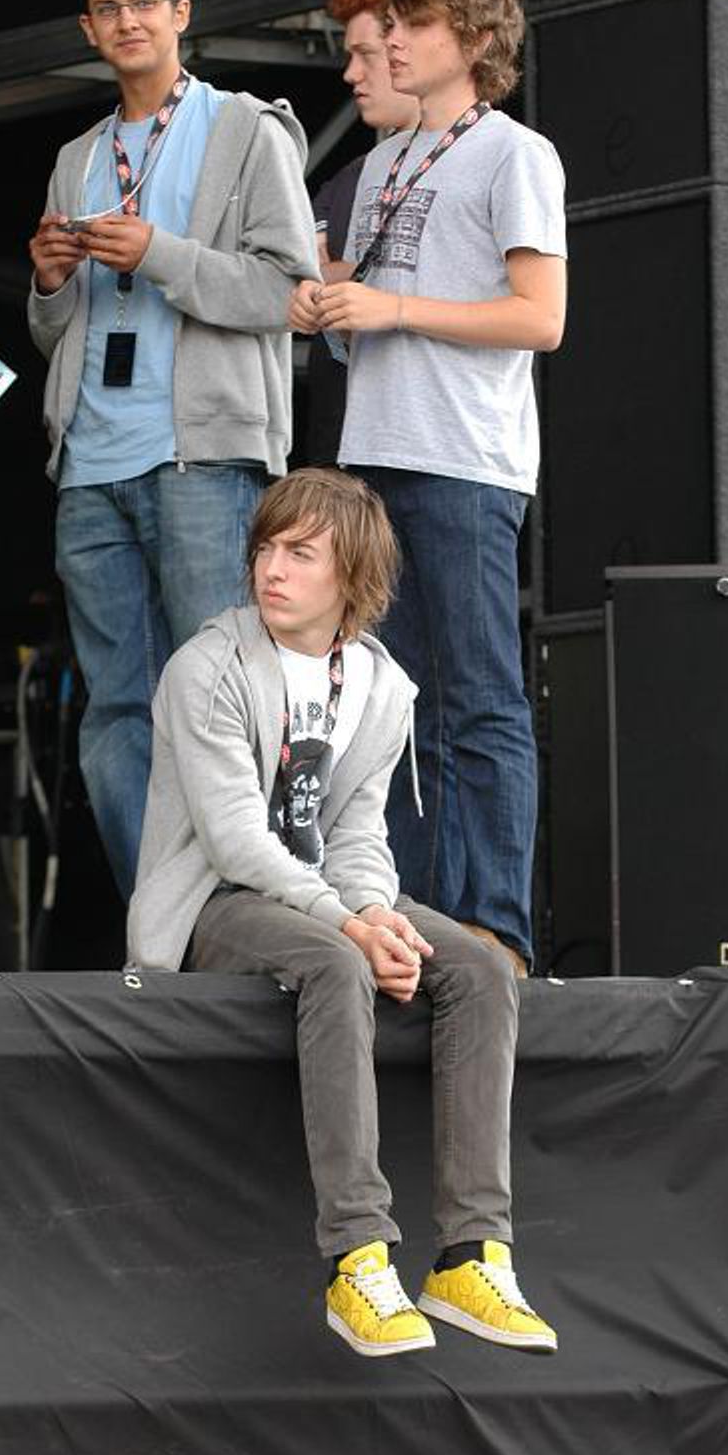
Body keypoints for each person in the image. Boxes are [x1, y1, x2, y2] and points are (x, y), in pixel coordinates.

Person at [128, 468, 556, 1359]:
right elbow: (238, 839)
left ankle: (473, 1255)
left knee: (478, 965)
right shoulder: (205, 668)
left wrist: (374, 910)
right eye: (266, 548)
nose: (270, 568)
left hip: (325, 894)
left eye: (299, 552)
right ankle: (359, 1258)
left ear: (351, 575)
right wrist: (350, 927)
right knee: (334, 964)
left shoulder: (380, 685)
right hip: (218, 900)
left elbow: (358, 833)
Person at [290, 0, 568, 977]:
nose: (392, 41)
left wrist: (391, 307)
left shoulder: (515, 155)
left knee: (478, 699)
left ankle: (494, 926)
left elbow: (541, 318)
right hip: (375, 454)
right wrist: (329, 310)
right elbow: (366, 322)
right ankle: (409, 919)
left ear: (478, 43)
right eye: (390, 25)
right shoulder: (389, 165)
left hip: (463, 458)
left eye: (414, 25)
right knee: (386, 707)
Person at [28, 0, 318, 902]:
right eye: (109, 10)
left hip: (205, 459)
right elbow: (50, 331)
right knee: (116, 711)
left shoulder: (246, 128)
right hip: (90, 466)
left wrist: (159, 253)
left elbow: (287, 291)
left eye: (145, 3)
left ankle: (246, 910)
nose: (128, 23)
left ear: (183, 13)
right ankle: (164, 917)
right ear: (88, 29)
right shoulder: (78, 155)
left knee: (223, 700)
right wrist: (48, 280)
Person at [302, 0, 419, 466]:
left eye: (365, 54)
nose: (351, 74)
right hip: (343, 450)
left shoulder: (494, 157)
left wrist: (357, 284)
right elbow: (296, 273)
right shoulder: (350, 178)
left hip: (434, 450)